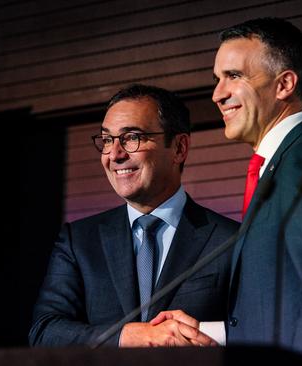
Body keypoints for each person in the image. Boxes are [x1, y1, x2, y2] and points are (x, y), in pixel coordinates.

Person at [152, 18, 302, 364]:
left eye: (234, 76)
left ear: (284, 84)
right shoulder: (282, 165)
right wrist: (208, 332)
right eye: (217, 79)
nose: (217, 94)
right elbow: (287, 307)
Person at [29, 84, 239, 347]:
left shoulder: (231, 240)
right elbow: (45, 332)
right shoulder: (79, 241)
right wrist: (129, 336)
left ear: (179, 148)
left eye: (132, 137)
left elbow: (256, 327)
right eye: (107, 140)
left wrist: (206, 333)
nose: (115, 155)